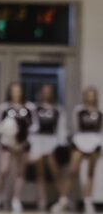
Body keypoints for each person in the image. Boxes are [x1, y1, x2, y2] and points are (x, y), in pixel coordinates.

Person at [51, 86, 102, 214]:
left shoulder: (99, 112)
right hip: (80, 140)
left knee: (90, 173)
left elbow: (100, 129)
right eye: (88, 94)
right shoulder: (79, 110)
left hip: (95, 141)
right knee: (72, 171)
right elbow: (77, 126)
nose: (90, 97)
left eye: (93, 94)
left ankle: (88, 201)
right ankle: (63, 200)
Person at [0, 82, 36, 212]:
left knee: (20, 172)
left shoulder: (29, 107)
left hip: (23, 144)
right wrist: (3, 132)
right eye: (13, 90)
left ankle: (16, 199)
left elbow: (35, 125)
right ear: (9, 92)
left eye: (18, 90)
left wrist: (23, 133)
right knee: (3, 171)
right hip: (7, 143)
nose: (16, 93)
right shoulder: (4, 107)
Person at [29, 84, 67, 210]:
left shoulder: (58, 109)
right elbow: (31, 126)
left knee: (55, 171)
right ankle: (42, 200)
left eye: (49, 91)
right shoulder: (34, 108)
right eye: (44, 91)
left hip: (52, 141)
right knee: (39, 172)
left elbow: (61, 129)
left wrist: (60, 145)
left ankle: (63, 198)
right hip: (38, 141)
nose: (46, 94)